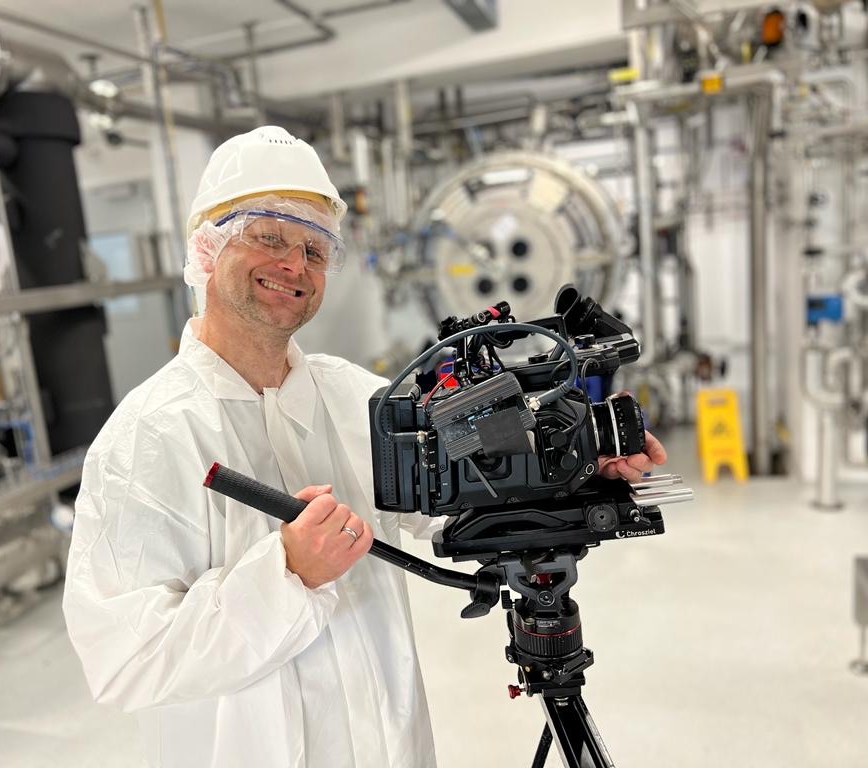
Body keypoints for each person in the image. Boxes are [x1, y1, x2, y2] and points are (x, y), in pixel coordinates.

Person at [63, 125, 667, 768]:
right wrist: (287, 575)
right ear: (206, 250)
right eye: (268, 236)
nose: (294, 265)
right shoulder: (146, 439)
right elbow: (124, 660)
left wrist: (575, 465)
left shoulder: (356, 398)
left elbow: (457, 494)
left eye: (314, 248)